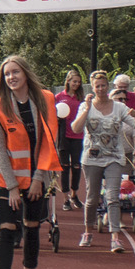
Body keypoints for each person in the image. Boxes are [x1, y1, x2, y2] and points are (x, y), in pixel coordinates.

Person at [0, 55, 62, 269]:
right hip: (7, 180)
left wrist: (39, 177)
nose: (11, 77)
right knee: (8, 229)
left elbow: (50, 142)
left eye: (15, 72)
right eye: (6, 74)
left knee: (31, 227)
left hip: (37, 178)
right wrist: (12, 188)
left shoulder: (46, 99)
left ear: (26, 73)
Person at [72, 71, 135, 253]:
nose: (101, 89)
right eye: (97, 86)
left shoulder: (119, 107)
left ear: (108, 86)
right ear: (93, 87)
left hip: (114, 157)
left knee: (113, 197)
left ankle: (115, 238)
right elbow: (75, 128)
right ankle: (88, 232)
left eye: (103, 85)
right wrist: (87, 109)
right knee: (92, 198)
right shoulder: (86, 106)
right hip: (92, 159)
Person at [55, 70, 85, 211]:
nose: (76, 84)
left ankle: (74, 194)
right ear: (68, 81)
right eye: (74, 81)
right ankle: (65, 198)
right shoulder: (59, 97)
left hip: (78, 137)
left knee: (77, 167)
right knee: (65, 168)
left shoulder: (81, 98)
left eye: (78, 82)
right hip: (64, 137)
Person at [110, 88, 135, 176]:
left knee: (125, 183)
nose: (123, 101)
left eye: (125, 99)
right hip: (109, 155)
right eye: (120, 99)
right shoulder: (106, 114)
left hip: (126, 155)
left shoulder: (129, 115)